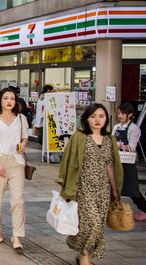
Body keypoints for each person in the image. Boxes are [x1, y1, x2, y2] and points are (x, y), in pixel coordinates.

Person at [58, 104, 123, 265]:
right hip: (83, 188)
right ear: (86, 118)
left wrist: (115, 191)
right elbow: (68, 163)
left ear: (106, 118)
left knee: (97, 226)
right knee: (92, 224)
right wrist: (66, 189)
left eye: (101, 116)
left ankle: (82, 254)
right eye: (93, 116)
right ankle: (85, 260)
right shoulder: (79, 137)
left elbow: (111, 165)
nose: (97, 120)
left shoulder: (110, 139)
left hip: (103, 190)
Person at [0, 88, 29, 249]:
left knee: (18, 200)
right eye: (6, 98)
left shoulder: (21, 119)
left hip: (17, 161)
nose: (9, 101)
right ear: (0, 101)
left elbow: (25, 136)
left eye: (12, 99)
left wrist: (23, 145)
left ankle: (17, 235)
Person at [113, 102, 146, 220]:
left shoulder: (134, 128)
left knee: (132, 191)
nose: (120, 116)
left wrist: (117, 145)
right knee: (112, 187)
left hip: (128, 163)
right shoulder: (116, 127)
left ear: (130, 114)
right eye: (118, 113)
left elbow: (132, 146)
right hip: (116, 161)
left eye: (122, 114)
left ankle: (144, 208)